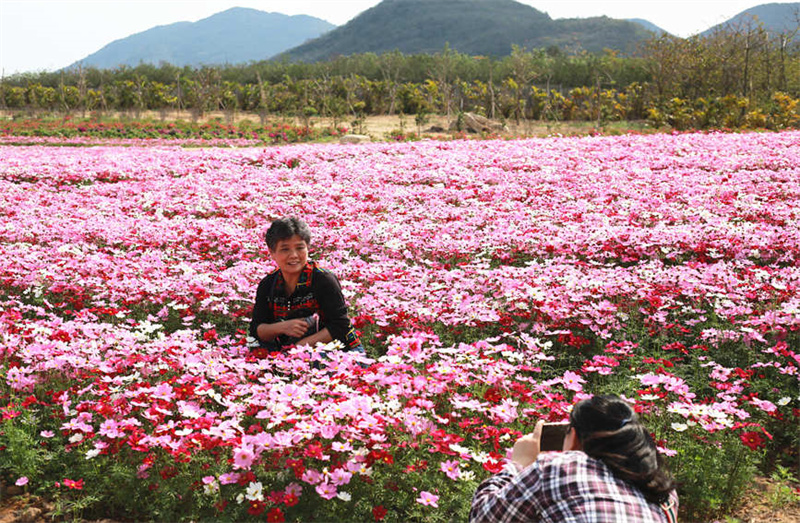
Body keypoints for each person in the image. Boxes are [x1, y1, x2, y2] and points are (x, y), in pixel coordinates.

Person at [470, 395, 678, 523]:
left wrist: (519, 464)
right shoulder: (661, 487)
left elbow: (482, 517)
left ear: (576, 437)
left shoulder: (558, 467)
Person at [249, 217, 363, 354]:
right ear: (272, 253)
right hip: (290, 351)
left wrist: (299, 348)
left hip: (338, 351)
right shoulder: (268, 284)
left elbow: (340, 326)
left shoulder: (323, 280)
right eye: (285, 249)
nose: (294, 255)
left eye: (300, 248)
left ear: (308, 248)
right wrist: (283, 327)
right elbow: (256, 329)